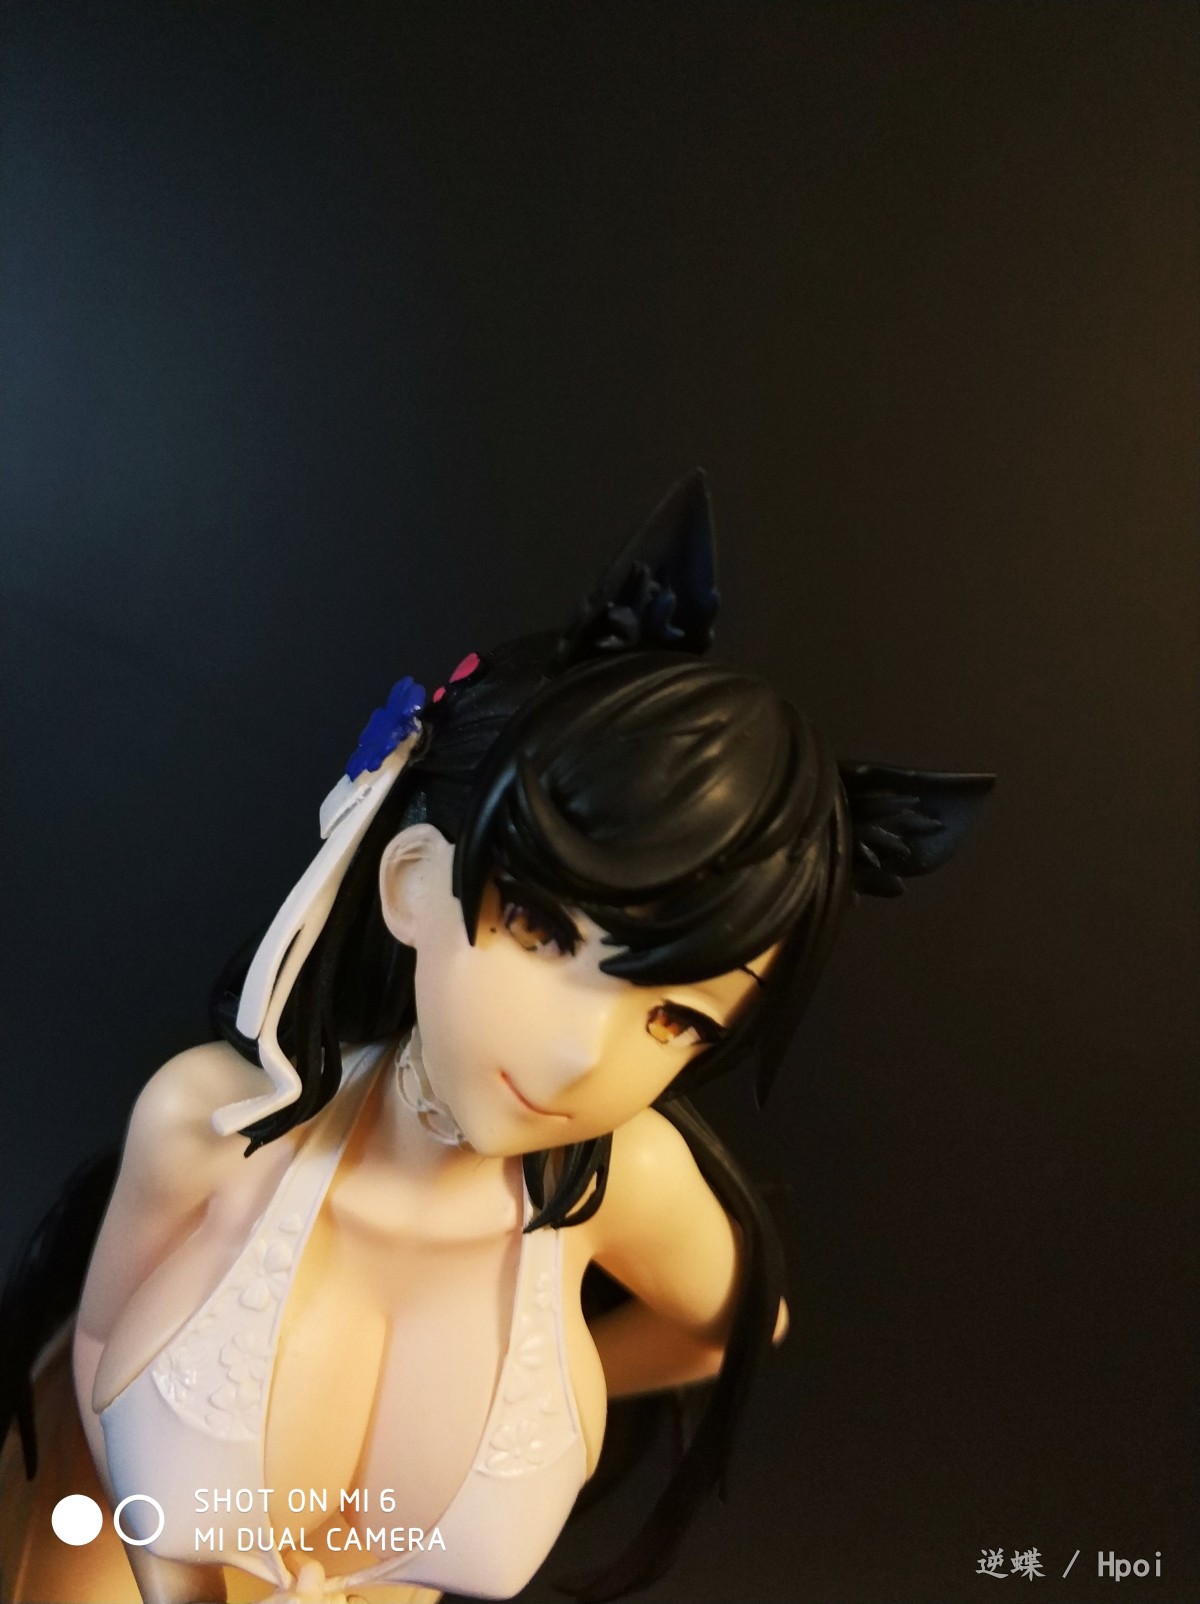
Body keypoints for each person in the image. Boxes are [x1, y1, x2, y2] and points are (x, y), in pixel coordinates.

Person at [0, 474, 991, 1604]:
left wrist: (572, 1391)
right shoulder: (216, 1123)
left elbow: (736, 1323)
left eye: (676, 1016)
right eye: (541, 930)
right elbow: (101, 1360)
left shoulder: (622, 1181)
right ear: (412, 883)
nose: (580, 1057)